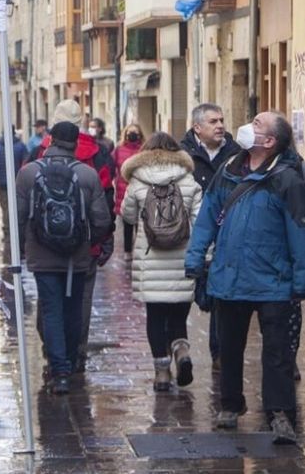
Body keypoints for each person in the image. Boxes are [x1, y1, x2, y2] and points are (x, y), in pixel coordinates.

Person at [185, 112, 305, 444]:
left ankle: (280, 414)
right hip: (229, 278)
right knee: (229, 347)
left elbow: (301, 234)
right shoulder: (229, 171)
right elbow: (207, 218)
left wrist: (301, 282)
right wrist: (195, 257)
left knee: (277, 352)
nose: (248, 126)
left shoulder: (287, 180)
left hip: (274, 281)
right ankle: (230, 406)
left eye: (257, 124)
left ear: (269, 142)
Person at [16, 121, 112, 394]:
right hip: (77, 256)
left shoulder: (28, 173)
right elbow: (102, 220)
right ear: (76, 143)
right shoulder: (88, 175)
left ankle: (59, 371)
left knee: (51, 309)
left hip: (42, 256)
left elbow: (18, 217)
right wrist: (88, 242)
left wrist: (25, 247)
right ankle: (69, 360)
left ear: (50, 139)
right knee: (72, 309)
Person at [120, 132, 202, 392]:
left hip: (150, 259)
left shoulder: (137, 179)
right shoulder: (188, 180)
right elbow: (200, 221)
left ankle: (162, 373)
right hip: (182, 260)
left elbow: (128, 216)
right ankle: (182, 352)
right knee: (178, 316)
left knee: (155, 317)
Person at [51, 100, 116, 372]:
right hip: (85, 242)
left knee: (50, 301)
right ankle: (77, 354)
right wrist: (103, 239)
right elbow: (106, 200)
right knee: (82, 300)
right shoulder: (99, 153)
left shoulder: (40, 152)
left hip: (47, 243)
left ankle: (55, 355)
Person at [179, 103, 240, 372]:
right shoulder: (183, 155)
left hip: (227, 234)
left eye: (222, 120)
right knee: (184, 296)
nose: (220, 126)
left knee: (219, 296)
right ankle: (180, 349)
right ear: (197, 127)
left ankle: (219, 352)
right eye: (213, 121)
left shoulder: (237, 154)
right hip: (191, 235)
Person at [0, 126, 28, 240]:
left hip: (2, 183)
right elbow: (26, 163)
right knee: (17, 206)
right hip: (17, 182)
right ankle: (16, 230)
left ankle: (7, 231)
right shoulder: (21, 146)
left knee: (5, 207)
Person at [114, 123, 145, 257]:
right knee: (127, 222)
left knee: (141, 222)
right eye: (130, 133)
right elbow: (113, 167)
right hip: (123, 190)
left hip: (141, 188)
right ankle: (127, 251)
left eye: (135, 133)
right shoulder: (118, 150)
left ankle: (140, 251)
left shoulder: (144, 150)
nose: (132, 136)